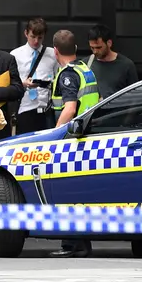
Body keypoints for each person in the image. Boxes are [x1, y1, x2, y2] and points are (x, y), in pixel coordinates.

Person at [49, 29, 100, 258]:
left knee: (65, 190)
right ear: (76, 49)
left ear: (55, 51)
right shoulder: (85, 69)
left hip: (71, 139)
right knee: (79, 191)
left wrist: (54, 136)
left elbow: (70, 108)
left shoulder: (68, 74)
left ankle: (72, 243)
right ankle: (80, 242)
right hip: (88, 136)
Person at [11, 18, 58, 134]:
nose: (36, 41)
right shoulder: (15, 55)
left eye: (40, 38)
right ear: (26, 33)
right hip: (25, 109)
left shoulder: (52, 54)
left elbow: (58, 79)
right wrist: (23, 84)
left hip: (47, 111)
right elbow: (10, 84)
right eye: (33, 37)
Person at [85, 24, 138, 99]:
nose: (95, 51)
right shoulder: (86, 64)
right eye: (92, 48)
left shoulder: (126, 65)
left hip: (117, 109)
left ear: (109, 43)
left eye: (99, 47)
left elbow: (134, 96)